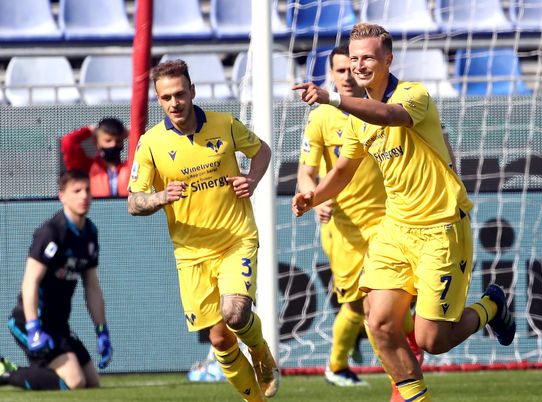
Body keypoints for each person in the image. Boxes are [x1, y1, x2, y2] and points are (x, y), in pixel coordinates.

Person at [292, 23, 516, 401]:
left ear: (387, 59)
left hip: (441, 227)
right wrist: (312, 197)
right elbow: (343, 170)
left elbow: (388, 115)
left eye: (367, 58)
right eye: (354, 58)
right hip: (396, 230)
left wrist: (331, 99)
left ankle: (491, 305)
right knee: (378, 323)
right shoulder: (356, 120)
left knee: (432, 339)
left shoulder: (413, 95)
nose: (359, 65)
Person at [127, 60, 278, 402]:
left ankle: (262, 353)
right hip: (191, 253)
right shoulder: (150, 143)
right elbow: (133, 202)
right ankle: (255, 399)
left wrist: (251, 180)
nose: (174, 103)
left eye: (180, 94)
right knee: (220, 339)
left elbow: (262, 151)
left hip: (235, 239)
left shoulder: (224, 125)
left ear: (192, 91)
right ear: (158, 99)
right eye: (165, 97)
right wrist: (160, 197)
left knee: (235, 313)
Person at [298, 44, 385, 388]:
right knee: (357, 304)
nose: (347, 77)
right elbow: (306, 172)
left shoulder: (380, 109)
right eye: (339, 71)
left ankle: (406, 351)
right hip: (342, 227)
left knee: (395, 297)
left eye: (351, 69)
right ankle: (337, 365)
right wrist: (315, 198)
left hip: (387, 219)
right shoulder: (321, 117)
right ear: (331, 75)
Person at [0, 170, 113, 391]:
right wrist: (33, 328)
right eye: (77, 191)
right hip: (31, 321)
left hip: (58, 324)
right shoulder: (51, 233)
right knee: (75, 382)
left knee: (92, 381)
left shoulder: (89, 232)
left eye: (88, 190)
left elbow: (92, 286)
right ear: (62, 196)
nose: (84, 196)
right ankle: (7, 372)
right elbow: (30, 281)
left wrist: (102, 330)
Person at [60, 118, 130, 198]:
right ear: (97, 142)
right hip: (96, 209)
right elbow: (67, 142)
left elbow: (145, 147)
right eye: (108, 141)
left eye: (118, 141)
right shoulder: (87, 166)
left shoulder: (130, 166)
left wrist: (131, 132)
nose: (113, 145)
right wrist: (88, 131)